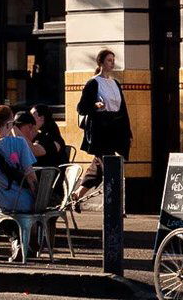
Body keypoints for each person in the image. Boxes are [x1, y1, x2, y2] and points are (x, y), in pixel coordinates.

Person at [74, 49, 132, 205]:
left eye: (113, 60)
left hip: (114, 129)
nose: (112, 63)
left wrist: (127, 131)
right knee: (108, 164)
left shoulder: (115, 83)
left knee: (99, 166)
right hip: (100, 130)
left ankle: (78, 194)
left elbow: (123, 109)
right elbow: (81, 107)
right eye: (109, 60)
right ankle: (115, 203)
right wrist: (94, 106)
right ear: (100, 63)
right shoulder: (93, 83)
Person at [28, 102, 72, 169]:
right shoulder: (38, 134)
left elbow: (35, 150)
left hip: (51, 175)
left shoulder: (51, 136)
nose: (29, 119)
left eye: (32, 116)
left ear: (42, 118)